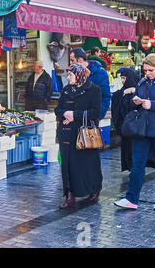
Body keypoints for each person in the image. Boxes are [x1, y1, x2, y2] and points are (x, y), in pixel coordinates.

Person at [114, 53, 155, 211]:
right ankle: (131, 198)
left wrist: (152, 104)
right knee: (137, 164)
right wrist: (135, 100)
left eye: (151, 70)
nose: (147, 73)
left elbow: (152, 103)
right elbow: (136, 98)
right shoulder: (142, 81)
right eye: (145, 70)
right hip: (142, 130)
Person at [55, 63, 103, 209]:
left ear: (80, 75)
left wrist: (74, 115)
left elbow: (95, 112)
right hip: (67, 134)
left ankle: (94, 188)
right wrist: (64, 113)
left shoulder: (94, 90)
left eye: (71, 74)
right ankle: (69, 194)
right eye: (68, 74)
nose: (68, 77)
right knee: (68, 165)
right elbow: (58, 109)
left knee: (88, 163)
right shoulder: (65, 90)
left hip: (85, 134)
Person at [111, 68, 140, 172]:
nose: (122, 80)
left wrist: (134, 92)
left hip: (136, 128)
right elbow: (115, 101)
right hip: (125, 128)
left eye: (124, 78)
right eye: (121, 78)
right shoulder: (121, 92)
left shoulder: (139, 90)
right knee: (127, 149)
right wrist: (123, 93)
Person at [70, 47, 110, 120]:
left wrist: (98, 117)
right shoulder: (73, 72)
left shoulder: (100, 72)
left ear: (80, 60)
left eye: (72, 60)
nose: (70, 63)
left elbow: (106, 96)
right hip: (76, 117)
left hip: (92, 118)